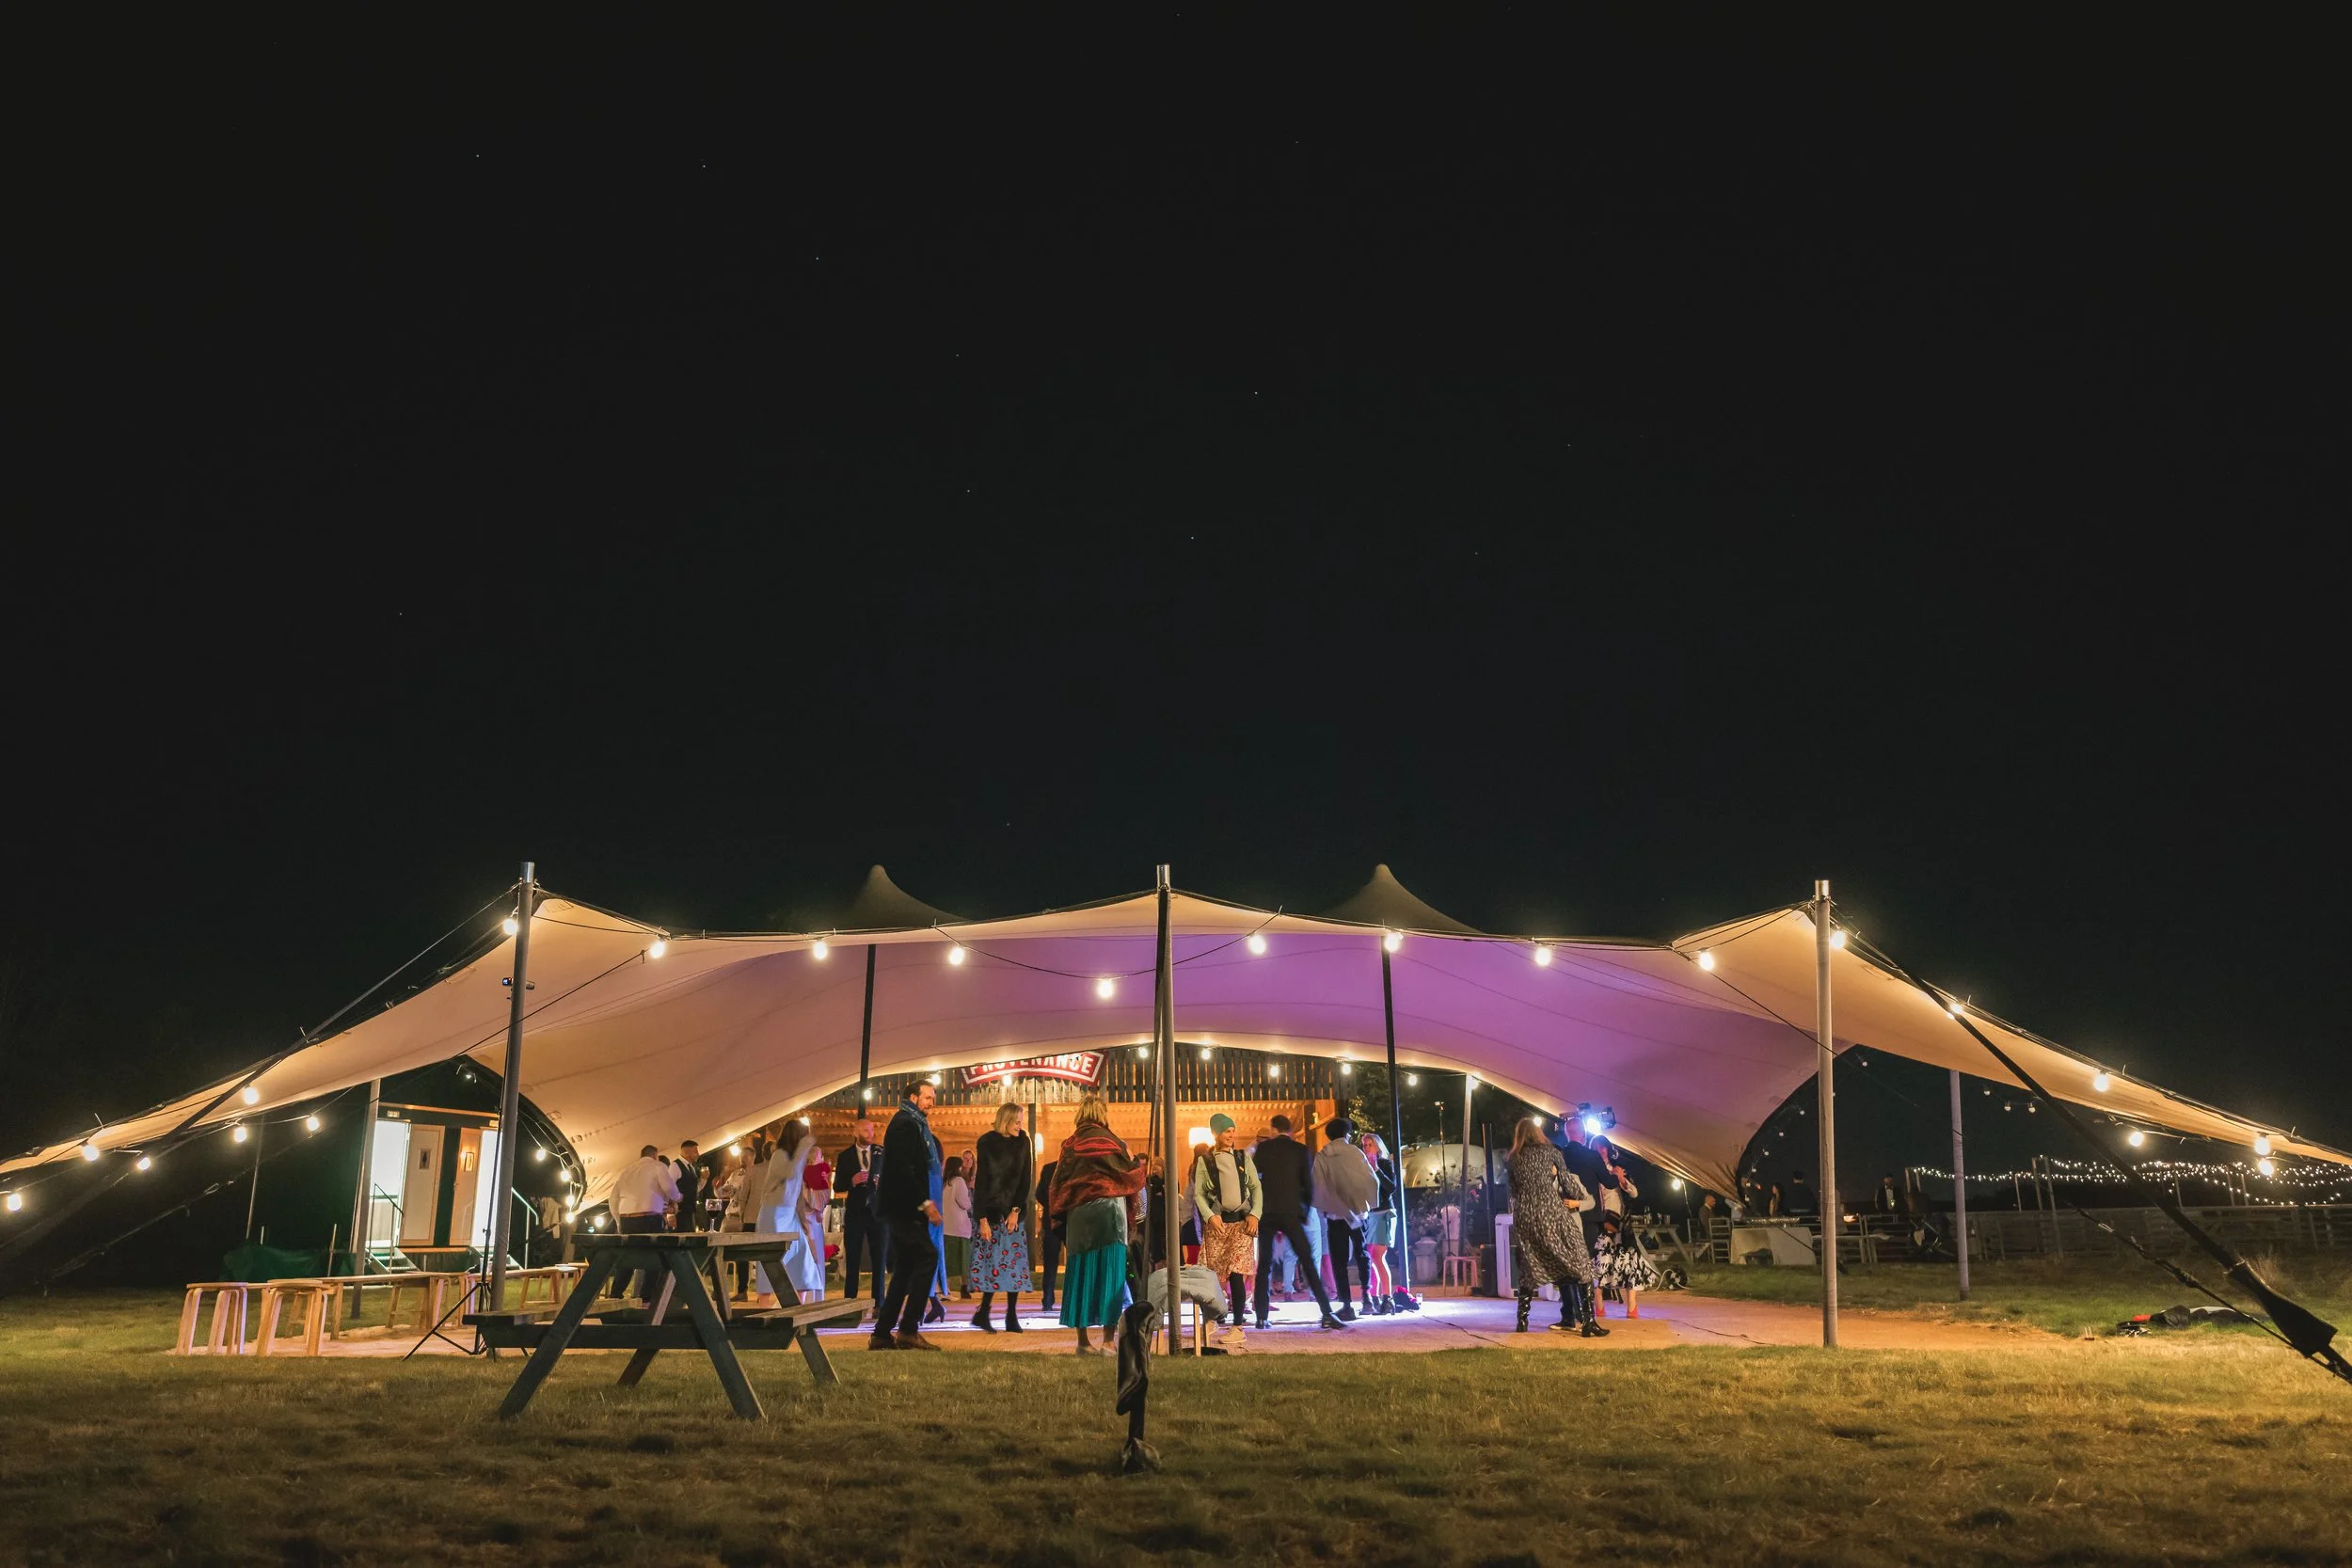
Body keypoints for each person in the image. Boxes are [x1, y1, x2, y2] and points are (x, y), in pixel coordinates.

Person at [1046, 1094, 1149, 1355]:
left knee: (1081, 1272)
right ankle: (1108, 1342)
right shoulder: (1115, 1142)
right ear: (1102, 1114)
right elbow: (1134, 1173)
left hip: (1080, 1215)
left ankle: (1082, 1343)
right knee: (1111, 1274)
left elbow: (1057, 1183)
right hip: (1110, 1213)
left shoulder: (1070, 1145)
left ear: (1081, 1114)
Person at [1505, 1118, 1604, 1336]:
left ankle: (1522, 1322)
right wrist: (1580, 1198)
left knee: (1529, 1266)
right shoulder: (1550, 1151)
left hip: (1525, 1216)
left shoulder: (1512, 1158)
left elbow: (1513, 1191)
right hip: (1550, 1211)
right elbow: (1567, 1183)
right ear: (1538, 1133)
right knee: (1580, 1261)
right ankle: (1588, 1323)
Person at [870, 1080, 945, 1351]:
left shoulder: (914, 1124)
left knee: (904, 1268)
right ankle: (909, 1329)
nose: (931, 1103)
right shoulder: (904, 1123)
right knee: (928, 1255)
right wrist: (925, 1203)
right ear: (913, 1097)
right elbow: (903, 1170)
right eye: (927, 1097)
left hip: (903, 1207)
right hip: (903, 1208)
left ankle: (881, 1334)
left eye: (933, 1098)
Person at [1251, 1116, 1344, 1331]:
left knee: (1264, 1266)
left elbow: (1255, 1180)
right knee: (1308, 1262)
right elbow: (1308, 1185)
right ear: (1290, 1131)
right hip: (1292, 1212)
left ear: (1273, 1129)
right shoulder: (1301, 1151)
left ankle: (1261, 1317)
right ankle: (1326, 1312)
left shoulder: (1263, 1150)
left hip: (1268, 1211)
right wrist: (1303, 1213)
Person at [1187, 1114, 1260, 1345]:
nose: (1231, 1135)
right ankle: (1213, 1319)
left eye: (1232, 1130)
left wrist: (1255, 1215)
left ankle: (1238, 1326)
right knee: (1215, 1277)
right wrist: (1210, 1216)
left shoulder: (1242, 1157)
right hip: (1217, 1226)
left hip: (1241, 1224)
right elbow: (1199, 1193)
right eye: (1226, 1131)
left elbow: (1256, 1187)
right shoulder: (1206, 1161)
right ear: (1216, 1133)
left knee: (1237, 1274)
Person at [968, 1103, 1035, 1333]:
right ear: (1005, 1120)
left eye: (1021, 1121)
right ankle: (984, 1312)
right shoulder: (987, 1142)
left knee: (1014, 1266)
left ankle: (1011, 1315)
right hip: (992, 1212)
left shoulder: (1023, 1142)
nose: (1020, 1125)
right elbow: (982, 1182)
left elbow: (1026, 1178)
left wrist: (1016, 1210)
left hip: (1013, 1213)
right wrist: (982, 1219)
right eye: (1016, 1121)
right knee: (993, 1264)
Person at [1311, 1117, 1378, 1321]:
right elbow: (1369, 1179)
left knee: (1338, 1260)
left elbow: (1317, 1184)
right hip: (1358, 1213)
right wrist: (1366, 1202)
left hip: (1335, 1214)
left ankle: (1347, 1304)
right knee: (1362, 1254)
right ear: (1347, 1134)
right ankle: (1367, 1298)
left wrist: (1328, 1206)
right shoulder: (1355, 1152)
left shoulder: (1323, 1155)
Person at [611, 1144, 681, 1303]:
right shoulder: (658, 1166)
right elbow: (669, 1188)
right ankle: (647, 1296)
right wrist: (678, 1198)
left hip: (627, 1218)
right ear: (655, 1156)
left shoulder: (627, 1170)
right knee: (654, 1256)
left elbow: (613, 1198)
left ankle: (616, 1293)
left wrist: (618, 1221)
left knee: (628, 1256)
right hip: (650, 1218)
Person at [834, 1117, 887, 1300]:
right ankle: (850, 1300)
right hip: (855, 1213)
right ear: (855, 1133)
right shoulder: (845, 1156)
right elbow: (837, 1186)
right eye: (866, 1131)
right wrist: (852, 1181)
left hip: (878, 1212)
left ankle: (879, 1302)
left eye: (872, 1130)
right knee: (853, 1257)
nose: (870, 1134)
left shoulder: (882, 1153)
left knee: (879, 1257)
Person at [1358, 1132, 1399, 1314]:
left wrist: (1376, 1169)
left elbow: (1391, 1188)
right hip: (1370, 1215)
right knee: (1370, 1257)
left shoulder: (1384, 1164)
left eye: (1370, 1145)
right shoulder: (1362, 1166)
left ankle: (1387, 1298)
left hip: (1385, 1213)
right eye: (1364, 1145)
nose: (1366, 1148)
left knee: (1377, 1256)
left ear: (1378, 1147)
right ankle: (1374, 1298)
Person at [942, 1156, 974, 1299]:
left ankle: (945, 1288)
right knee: (963, 1258)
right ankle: (964, 1287)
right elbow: (964, 1203)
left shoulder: (944, 1183)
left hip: (945, 1226)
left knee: (947, 1260)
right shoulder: (959, 1181)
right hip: (959, 1226)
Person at [1035, 1153, 1063, 1309]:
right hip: (1070, 1220)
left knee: (1050, 1262)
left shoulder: (1048, 1168)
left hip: (1051, 1219)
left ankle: (1048, 1298)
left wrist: (1051, 1204)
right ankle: (1070, 1299)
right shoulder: (1076, 1167)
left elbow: (1039, 1193)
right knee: (1073, 1260)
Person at [673, 1140, 706, 1232]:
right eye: (695, 1151)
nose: (698, 1154)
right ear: (687, 1152)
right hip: (679, 1213)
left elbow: (694, 1189)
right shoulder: (675, 1166)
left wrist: (704, 1179)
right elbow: (668, 1188)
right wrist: (671, 1215)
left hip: (690, 1212)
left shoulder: (691, 1168)